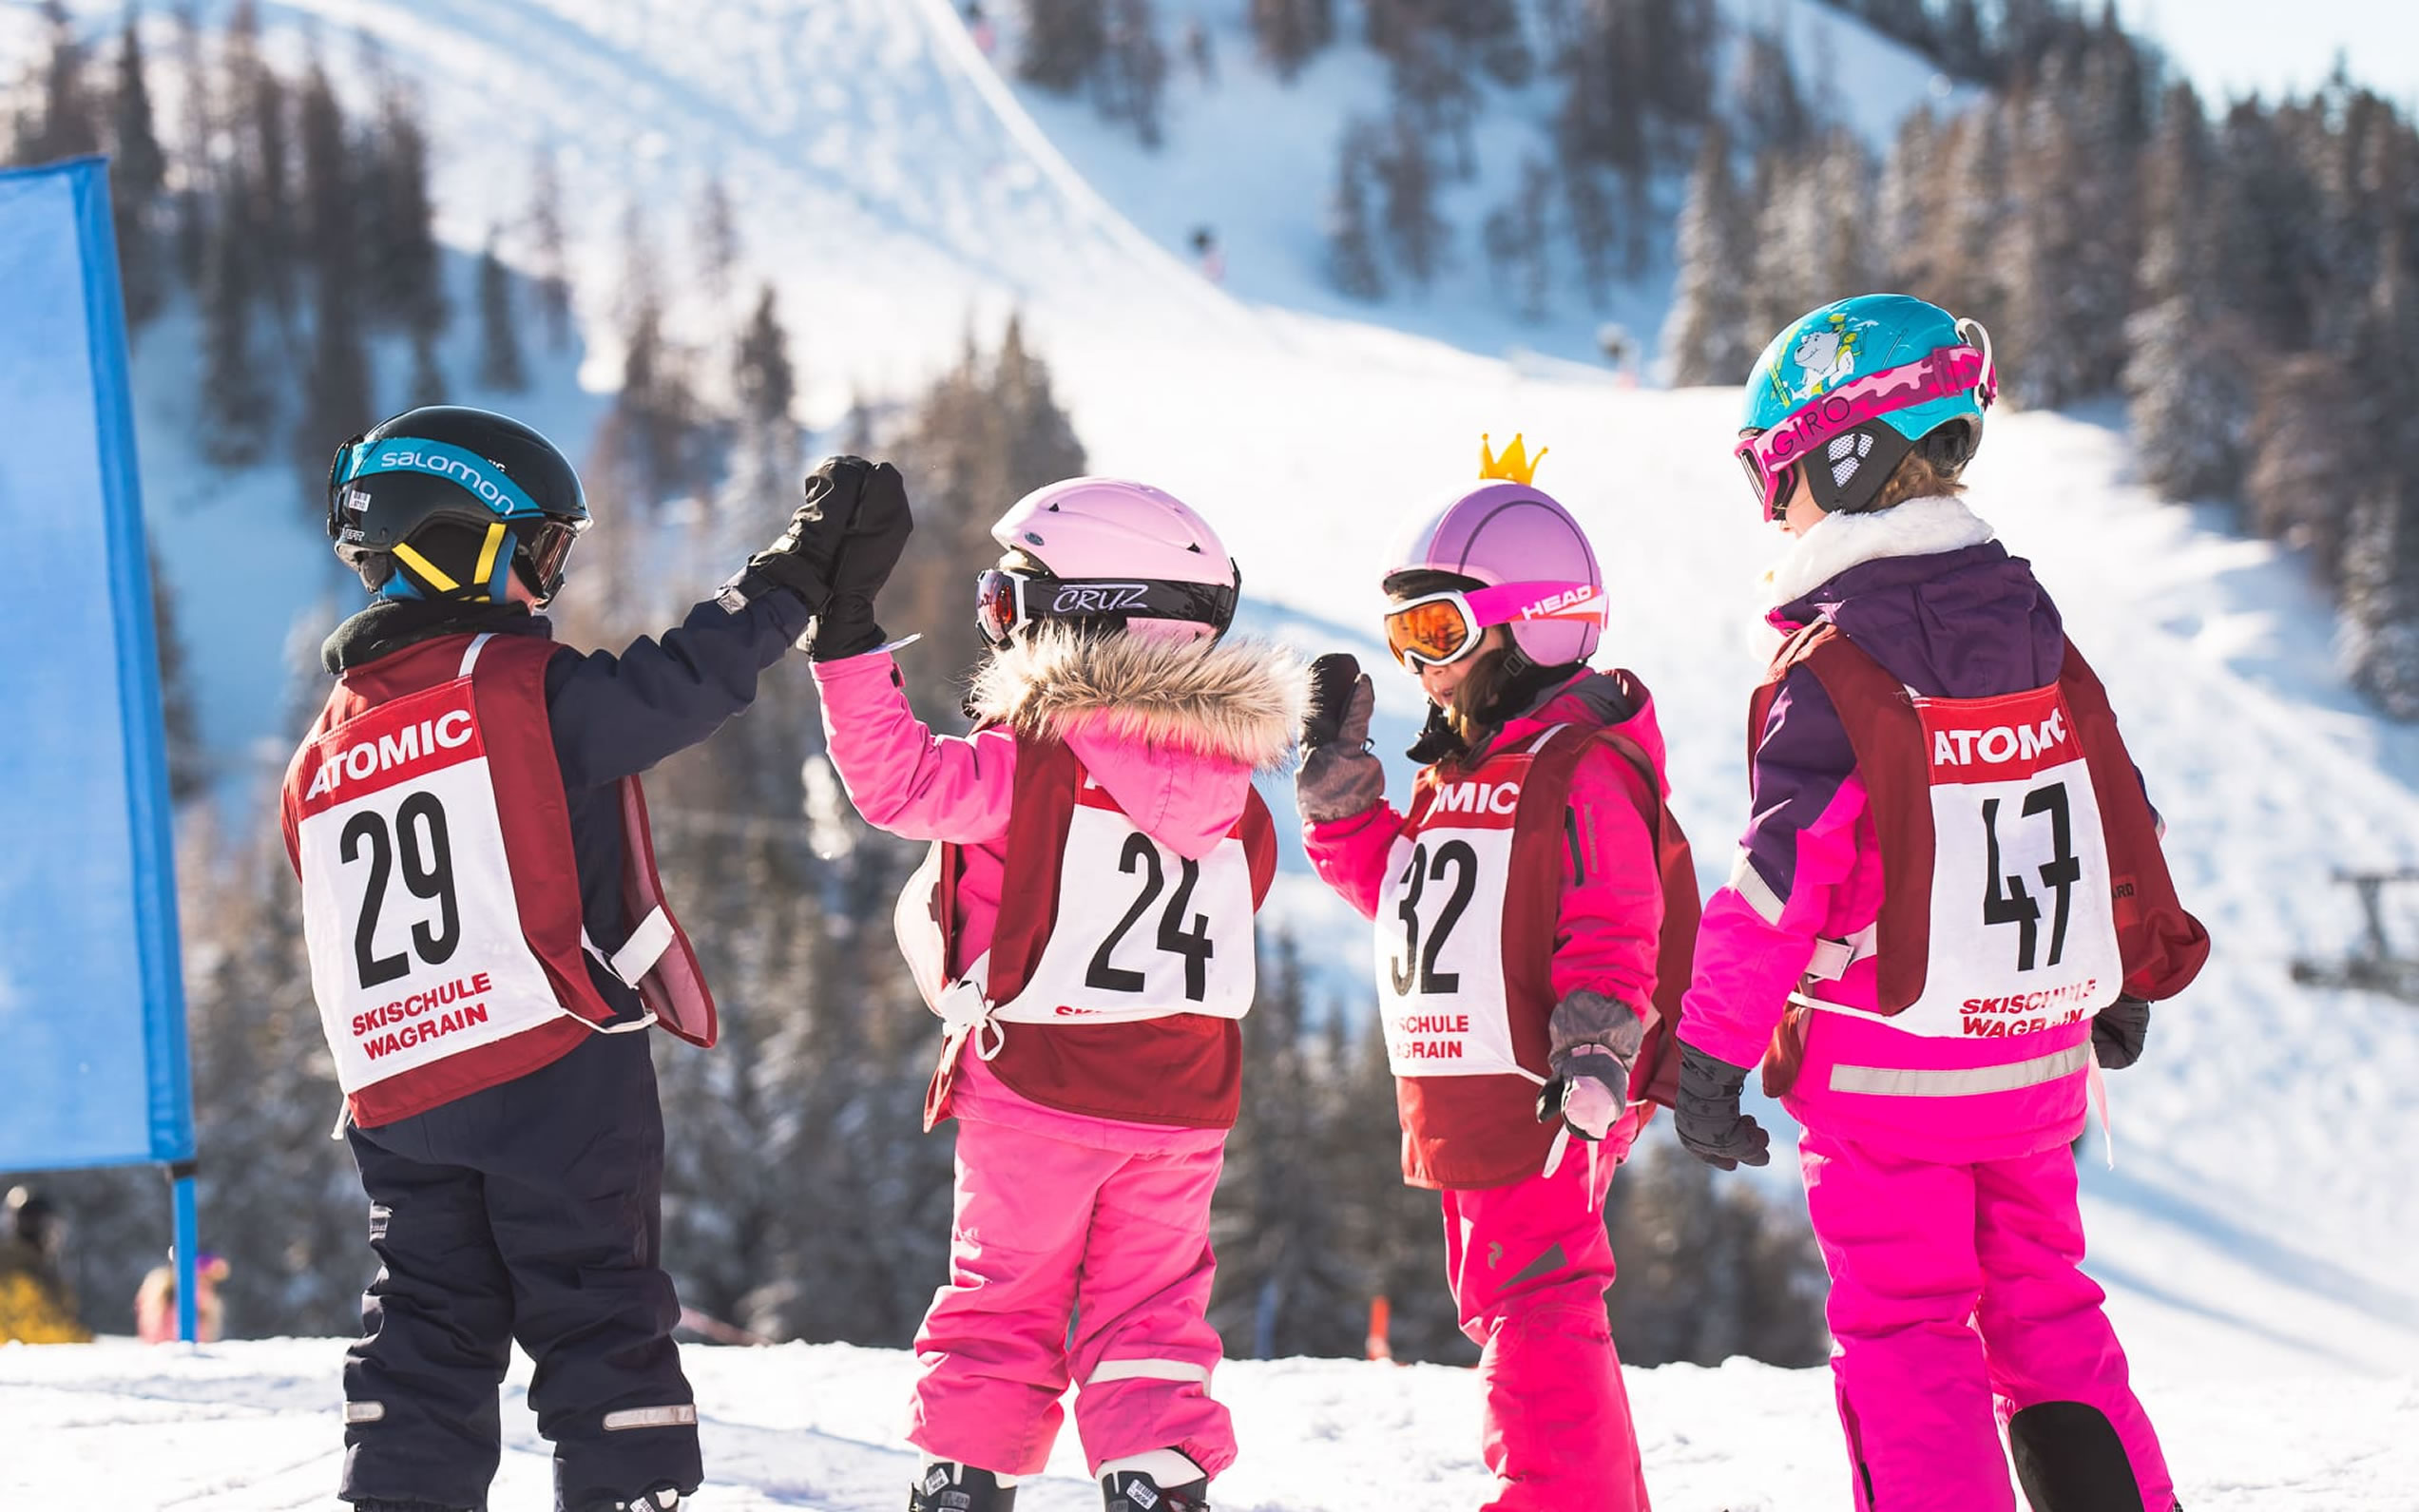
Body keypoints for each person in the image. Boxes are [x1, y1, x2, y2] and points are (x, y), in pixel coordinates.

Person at [1676, 295, 2210, 1512]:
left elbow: (1778, 884)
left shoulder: (1834, 660)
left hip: (1885, 1080)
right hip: (2030, 1065)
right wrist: (2119, 965)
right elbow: (2110, 799)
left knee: (1909, 1334)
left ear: (1843, 456)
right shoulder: (2024, 620)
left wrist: (1707, 1052)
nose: (1774, 509)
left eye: (1778, 477)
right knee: (2050, 1317)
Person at [280, 405, 867, 1512]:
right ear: (454, 542)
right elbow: (676, 684)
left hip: (402, 1091)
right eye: (537, 551)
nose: (546, 586)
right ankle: (628, 1490)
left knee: (424, 1320)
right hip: (549, 1060)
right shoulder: (514, 692)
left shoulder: (321, 753)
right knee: (595, 1302)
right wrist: (788, 583)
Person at [807, 475, 1300, 1512]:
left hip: (1035, 1088)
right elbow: (1235, 897)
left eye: (1006, 601)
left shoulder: (1022, 767)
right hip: (1180, 1105)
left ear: (1080, 614)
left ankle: (967, 1480)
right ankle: (1157, 1472)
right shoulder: (1238, 795)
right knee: (1152, 1308)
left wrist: (845, 641)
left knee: (1006, 1299)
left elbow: (895, 783)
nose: (995, 623)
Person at [1293, 436, 1696, 1512]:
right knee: (1509, 1298)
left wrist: (1598, 1055)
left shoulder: (1578, 769)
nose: (1421, 661)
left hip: (1546, 1086)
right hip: (1473, 1082)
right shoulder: (1471, 768)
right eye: (1403, 633)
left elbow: (1617, 920)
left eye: (1440, 629)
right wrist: (1343, 807)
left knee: (1539, 1297)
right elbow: (1416, 896)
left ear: (1534, 621)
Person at [0, 1185, 90, 1344]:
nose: (56, 1234)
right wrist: (85, 1345)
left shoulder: (39, 1267)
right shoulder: (19, 1275)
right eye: (50, 1225)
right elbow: (39, 1331)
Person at [135, 1252, 230, 1343]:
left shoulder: (207, 1307)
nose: (208, 1286)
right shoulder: (165, 1297)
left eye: (209, 1281)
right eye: (202, 1279)